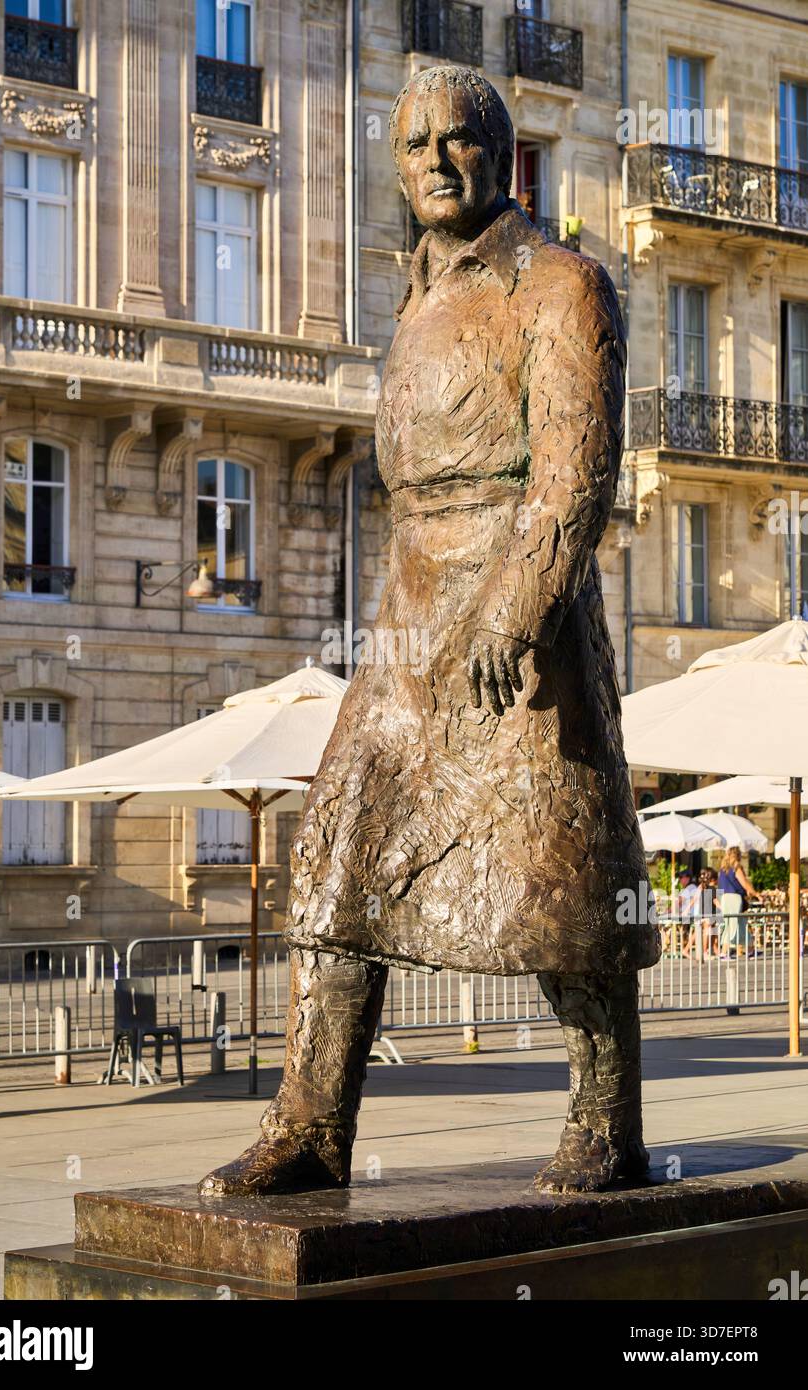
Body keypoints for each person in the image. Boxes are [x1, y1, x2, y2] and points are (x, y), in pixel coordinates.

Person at [198, 64, 660, 1201]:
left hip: (517, 610)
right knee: (338, 854)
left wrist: (519, 603)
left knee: (562, 871)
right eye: (415, 148)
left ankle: (607, 1119)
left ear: (500, 155)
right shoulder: (409, 297)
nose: (436, 163)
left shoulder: (559, 284)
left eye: (459, 142)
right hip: (409, 617)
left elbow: (574, 470)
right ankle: (311, 1123)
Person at [717, 848, 759, 957]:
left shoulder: (722, 869)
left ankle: (750, 950)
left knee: (740, 923)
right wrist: (756, 894)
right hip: (734, 898)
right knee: (732, 924)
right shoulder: (736, 867)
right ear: (737, 855)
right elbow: (744, 883)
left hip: (725, 898)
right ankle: (724, 952)